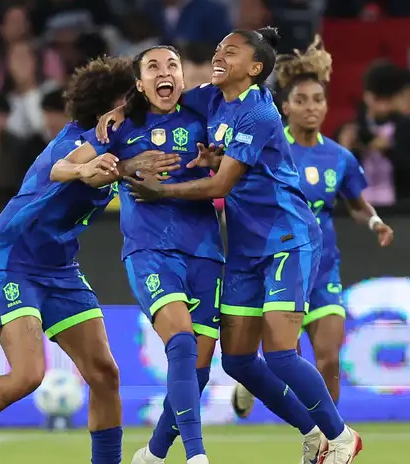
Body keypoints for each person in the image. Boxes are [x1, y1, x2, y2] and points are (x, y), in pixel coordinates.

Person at [108, 28, 363, 464]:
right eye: (218, 46)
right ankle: (310, 434)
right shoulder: (210, 98)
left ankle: (339, 435)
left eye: (231, 51)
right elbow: (159, 96)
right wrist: (117, 108)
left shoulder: (259, 113)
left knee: (281, 354)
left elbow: (223, 184)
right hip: (244, 247)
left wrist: (162, 191)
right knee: (239, 363)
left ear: (256, 68)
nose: (218, 54)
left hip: (286, 236)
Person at [0, 59, 179, 464]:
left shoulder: (124, 143)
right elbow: (66, 168)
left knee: (105, 375)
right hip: (13, 261)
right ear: (104, 108)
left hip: (60, 269)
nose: (134, 106)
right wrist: (92, 169)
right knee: (28, 375)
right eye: (127, 100)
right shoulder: (74, 142)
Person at [64, 46, 218, 464]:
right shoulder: (119, 128)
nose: (164, 73)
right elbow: (65, 167)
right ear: (139, 83)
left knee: (198, 370)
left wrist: (216, 161)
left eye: (172, 66)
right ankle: (196, 456)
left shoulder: (205, 115)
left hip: (206, 250)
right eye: (153, 67)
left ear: (184, 78)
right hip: (150, 251)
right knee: (181, 342)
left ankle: (153, 454)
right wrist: (118, 166)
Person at [244, 36, 394, 406]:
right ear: (285, 108)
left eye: (318, 100)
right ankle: (248, 372)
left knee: (328, 358)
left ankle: (329, 444)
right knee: (286, 360)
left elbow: (356, 204)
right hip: (281, 267)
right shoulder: (270, 152)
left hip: (324, 268)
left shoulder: (339, 157)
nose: (311, 108)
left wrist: (375, 222)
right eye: (301, 100)